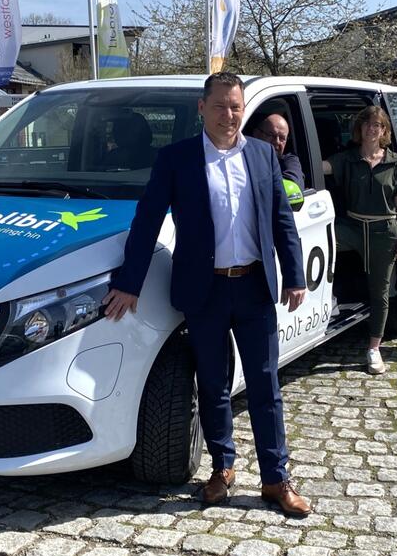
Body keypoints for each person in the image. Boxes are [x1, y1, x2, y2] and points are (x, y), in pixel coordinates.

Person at [102, 72, 312, 517]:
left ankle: (276, 479)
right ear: (202, 108)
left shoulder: (261, 156)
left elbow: (281, 220)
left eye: (236, 107)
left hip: (254, 286)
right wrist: (128, 282)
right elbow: (146, 221)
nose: (229, 115)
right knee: (213, 385)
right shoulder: (176, 159)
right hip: (205, 289)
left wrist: (294, 275)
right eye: (220, 106)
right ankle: (223, 467)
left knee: (265, 386)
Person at [323, 105, 397, 375]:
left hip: (384, 230)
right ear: (360, 129)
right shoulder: (346, 159)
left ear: (384, 131)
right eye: (368, 124)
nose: (373, 129)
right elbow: (320, 166)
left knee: (380, 291)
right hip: (350, 225)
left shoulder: (395, 162)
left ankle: (374, 348)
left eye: (378, 125)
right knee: (316, 247)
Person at [250, 113, 304, 186]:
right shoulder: (244, 158)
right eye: (271, 135)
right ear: (256, 134)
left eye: (282, 138)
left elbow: (291, 186)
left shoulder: (289, 161)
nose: (277, 141)